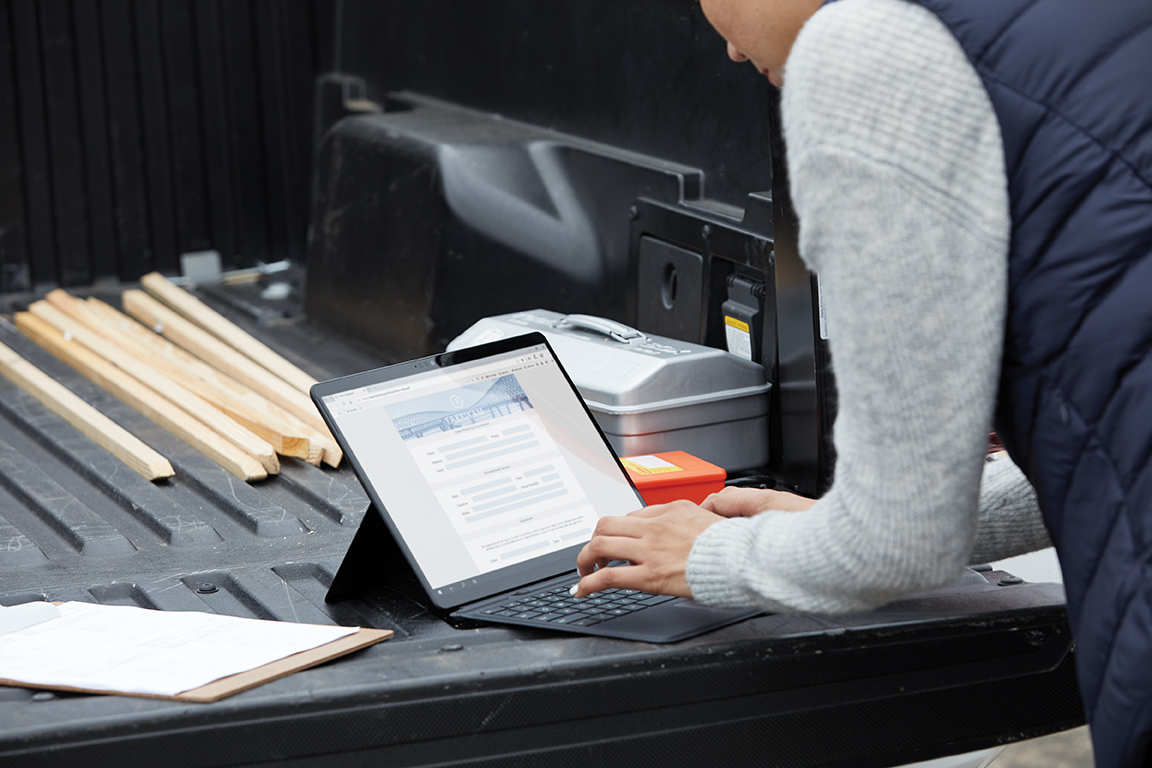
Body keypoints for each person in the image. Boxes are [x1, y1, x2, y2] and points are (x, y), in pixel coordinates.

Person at [572, 1, 1152, 765]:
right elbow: (1107, 435)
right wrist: (837, 524)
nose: (729, 50)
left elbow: (895, 546)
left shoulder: (864, 56)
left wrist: (712, 555)